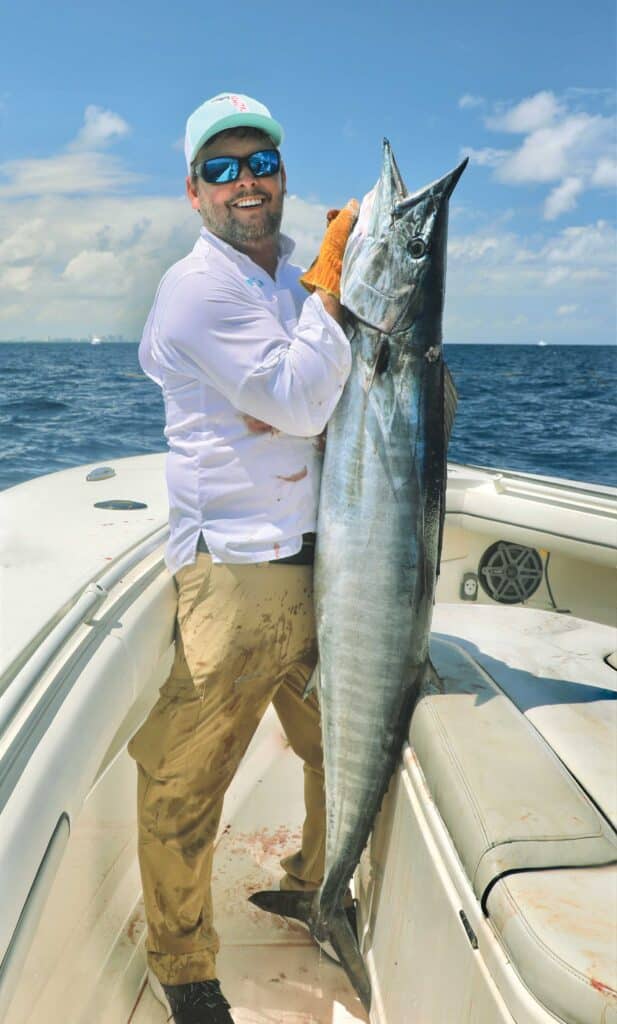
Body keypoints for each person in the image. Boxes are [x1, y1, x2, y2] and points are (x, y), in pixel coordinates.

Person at [128, 92, 358, 1024]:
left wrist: (306, 379)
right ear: (193, 192)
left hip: (327, 561)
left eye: (257, 162)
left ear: (281, 172)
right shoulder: (200, 288)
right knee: (185, 779)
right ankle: (183, 967)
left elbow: (323, 399)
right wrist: (328, 313)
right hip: (238, 571)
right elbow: (308, 406)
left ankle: (313, 885)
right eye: (220, 170)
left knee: (334, 755)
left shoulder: (290, 277)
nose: (244, 183)